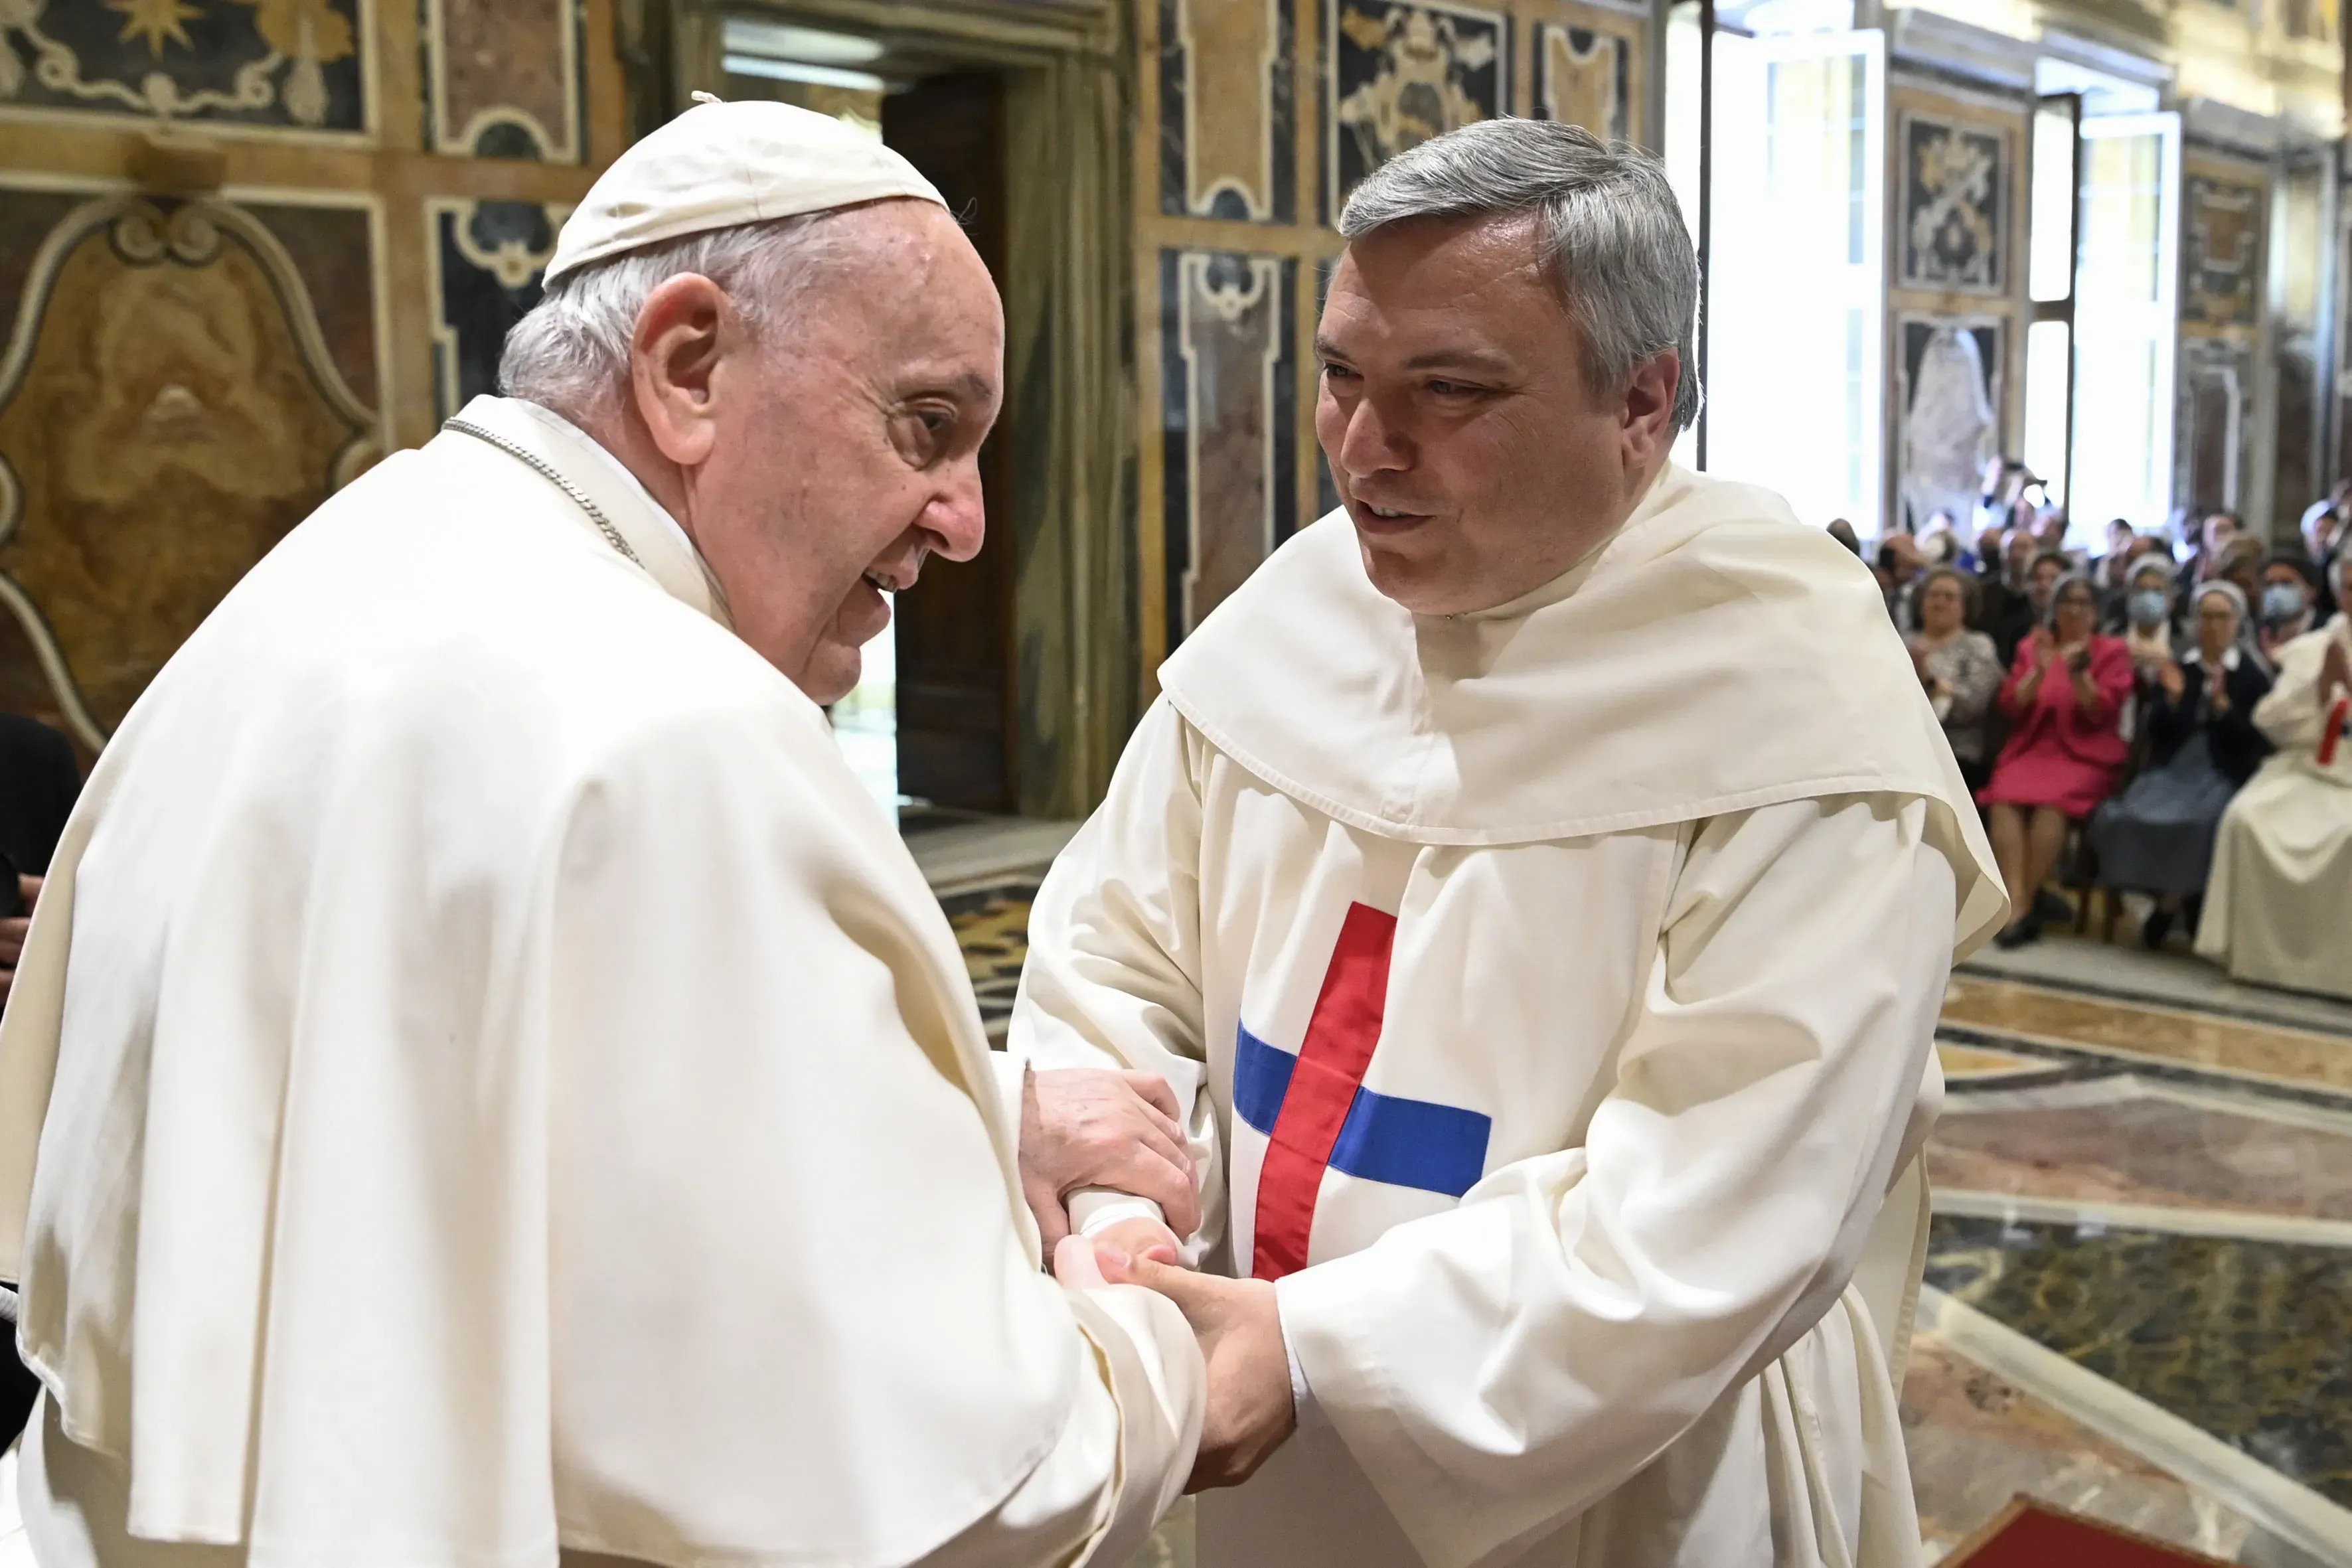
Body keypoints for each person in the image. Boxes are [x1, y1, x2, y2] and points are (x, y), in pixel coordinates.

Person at [0, 100, 1206, 1568]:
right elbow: (956, 1488)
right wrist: (1151, 1342)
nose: (960, 519)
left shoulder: (357, 552)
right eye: (926, 426)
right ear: (688, 364)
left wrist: (984, 1111)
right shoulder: (677, 729)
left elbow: (425, 1054)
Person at [1010, 121, 2003, 1568]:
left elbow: (1721, 1202)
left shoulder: (1795, 705)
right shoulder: (1293, 619)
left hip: (1615, 1469)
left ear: (1642, 403)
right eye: (1340, 376)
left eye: (1449, 391)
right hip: (1212, 1375)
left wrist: (1311, 1349)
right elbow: (1112, 957)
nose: (1364, 445)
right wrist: (1126, 1219)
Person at [2196, 552, 2352, 999]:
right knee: (2246, 818)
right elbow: (2270, 721)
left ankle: (2336, 971)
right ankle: (2259, 960)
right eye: (2346, 587)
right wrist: (2321, 686)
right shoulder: (2314, 647)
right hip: (2304, 765)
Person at [2088, 582, 2272, 949]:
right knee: (2124, 815)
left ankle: (2172, 901)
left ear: (2237, 622)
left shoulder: (2252, 675)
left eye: (2222, 617)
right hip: (2173, 769)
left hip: (2220, 772)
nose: (2213, 625)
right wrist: (2172, 701)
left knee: (2203, 823)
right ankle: (2160, 900)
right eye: (2205, 616)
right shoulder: (2180, 668)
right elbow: (2157, 732)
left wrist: (2223, 709)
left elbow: (2254, 740)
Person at [1980, 573, 2134, 947]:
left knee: (2052, 805)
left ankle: (2024, 903)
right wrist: (2040, 670)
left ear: (2096, 612)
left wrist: (2078, 672)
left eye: (2083, 603)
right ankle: (2016, 902)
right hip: (2032, 748)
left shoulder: (2111, 651)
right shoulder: (2034, 647)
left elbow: (2102, 709)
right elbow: (2011, 704)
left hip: (2084, 753)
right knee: (2004, 798)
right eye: (2067, 602)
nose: (2075, 610)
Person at [1909, 566, 2003, 794]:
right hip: (1901, 744)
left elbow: (1972, 707)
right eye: (1933, 595)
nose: (1940, 603)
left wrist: (1930, 679)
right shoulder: (1903, 642)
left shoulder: (1978, 645)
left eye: (1950, 597)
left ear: (1965, 606)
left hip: (1956, 752)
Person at [2258, 550, 2321, 657]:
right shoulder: (2259, 634)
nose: (2277, 591)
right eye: (2269, 584)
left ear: (2311, 591)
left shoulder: (2330, 629)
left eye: (2286, 583)